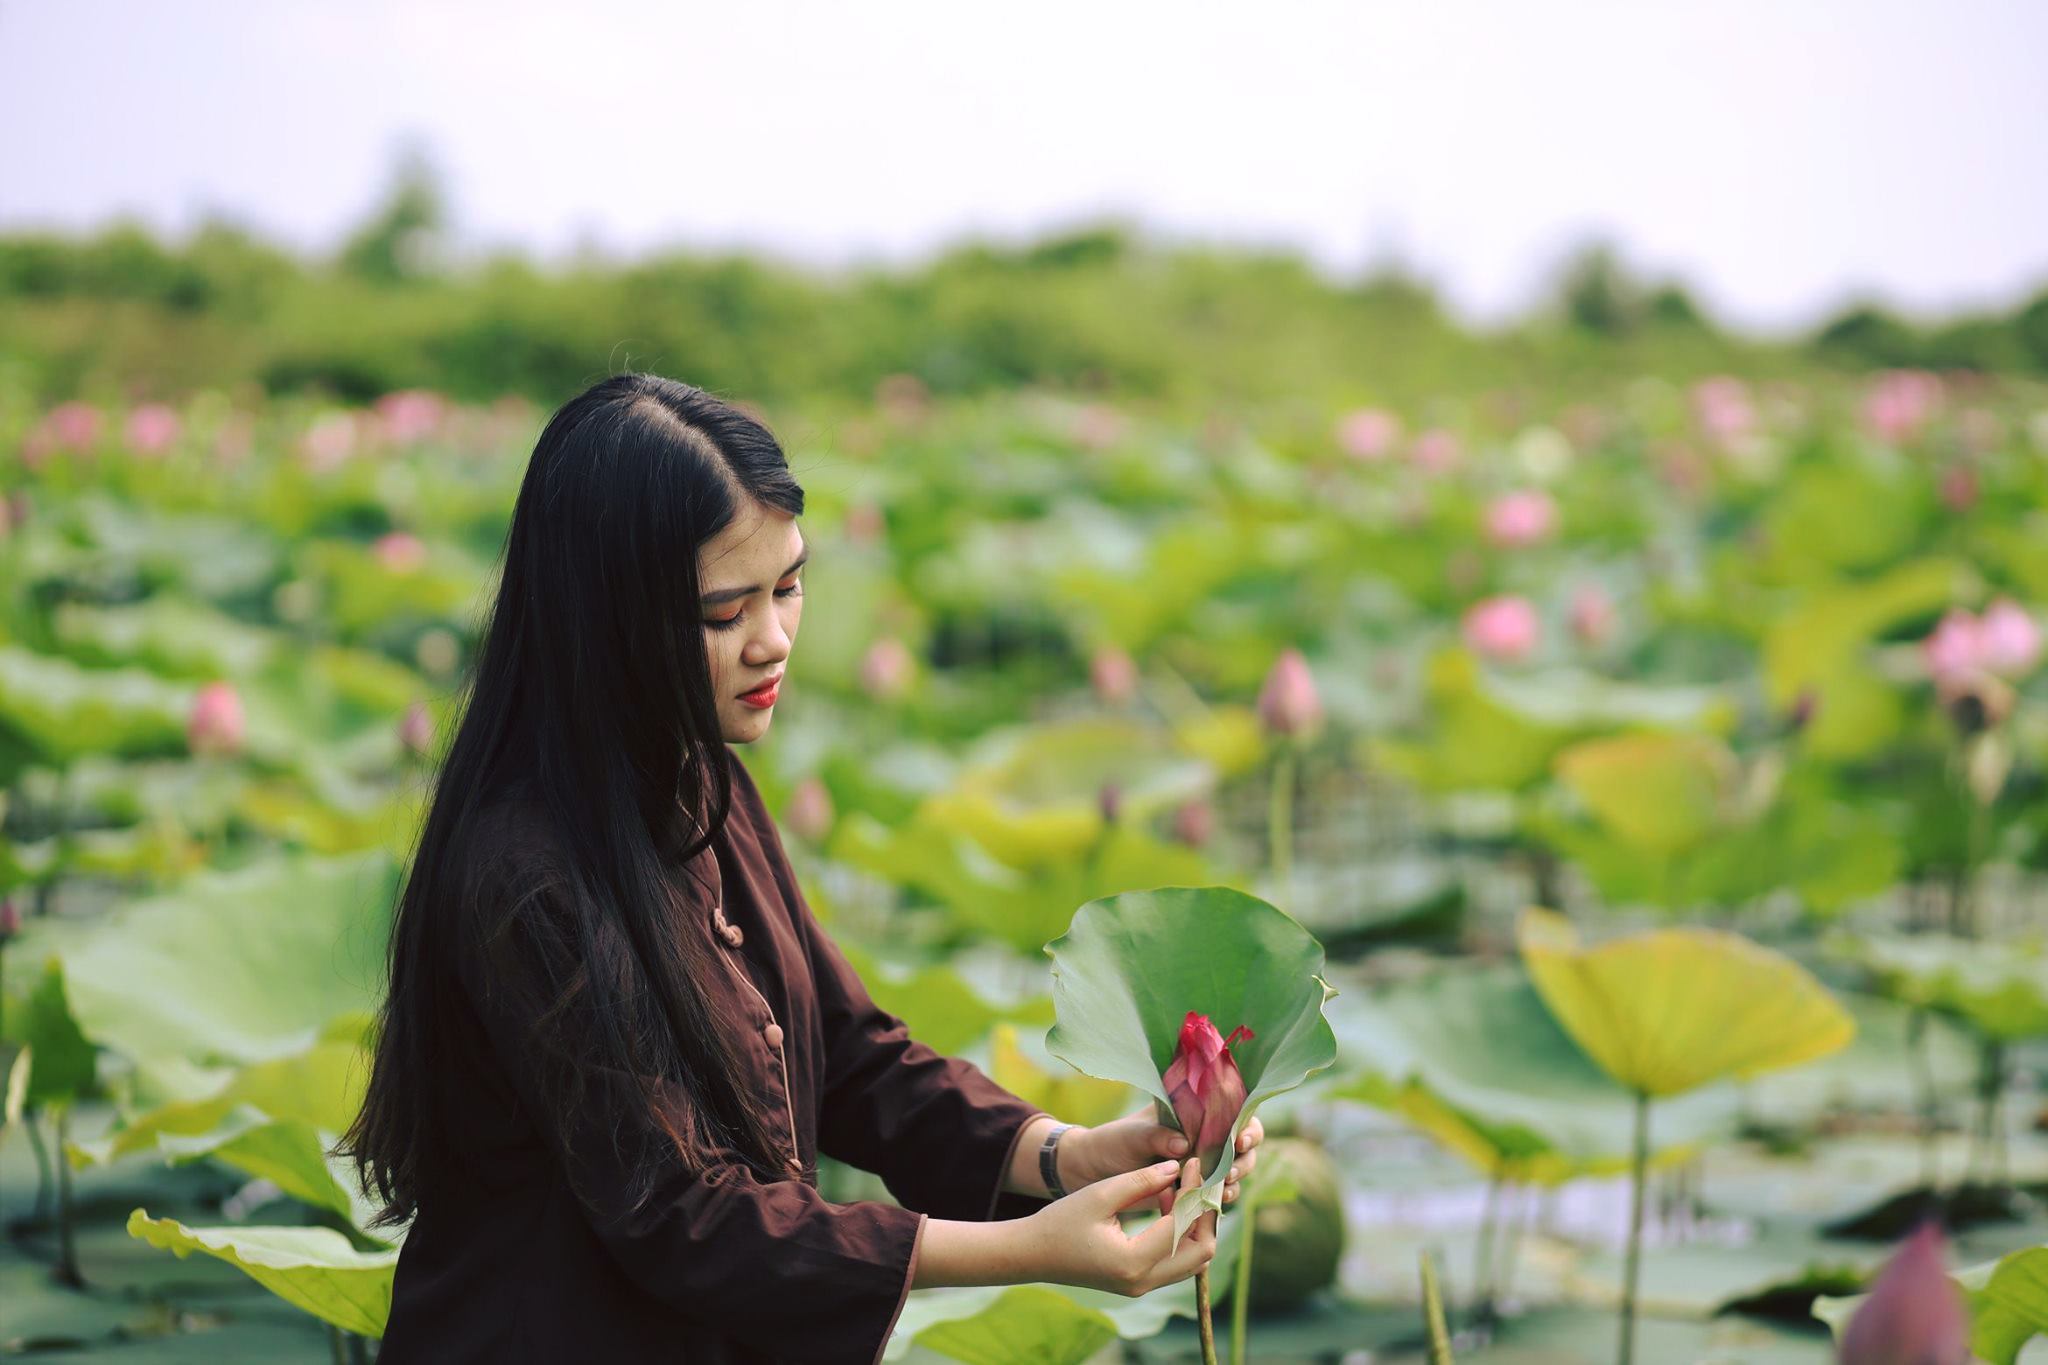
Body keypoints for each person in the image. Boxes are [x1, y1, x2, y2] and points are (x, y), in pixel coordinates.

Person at [337, 373, 1263, 1363]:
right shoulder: (522, 874)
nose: (773, 641)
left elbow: (852, 1055)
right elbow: (684, 1214)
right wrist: (1025, 1250)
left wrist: (1065, 1155)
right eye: (723, 612)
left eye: (786, 588)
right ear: (603, 621)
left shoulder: (702, 780)